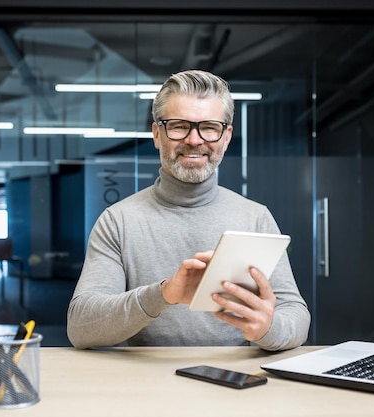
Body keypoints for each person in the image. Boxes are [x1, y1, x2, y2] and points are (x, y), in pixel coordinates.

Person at [67, 70, 310, 351]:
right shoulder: (118, 221)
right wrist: (162, 295)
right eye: (180, 125)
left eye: (209, 127)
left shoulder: (255, 217)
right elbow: (80, 327)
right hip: (147, 385)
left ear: (226, 136)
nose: (194, 140)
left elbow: (296, 314)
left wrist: (269, 329)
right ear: (157, 134)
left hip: (236, 382)